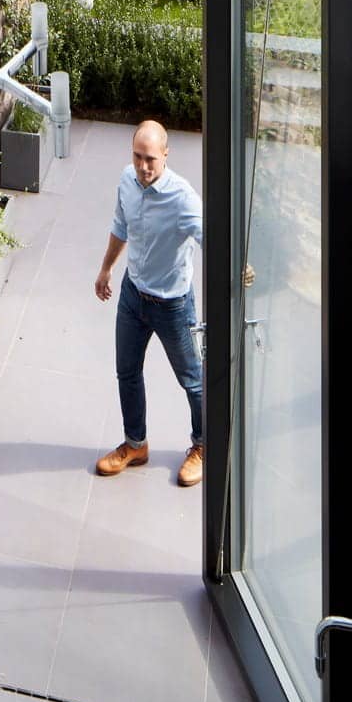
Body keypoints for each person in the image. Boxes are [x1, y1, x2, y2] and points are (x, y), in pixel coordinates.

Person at [94, 120, 205, 487]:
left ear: (166, 155)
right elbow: (120, 226)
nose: (144, 167)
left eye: (151, 159)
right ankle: (135, 445)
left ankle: (204, 446)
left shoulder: (183, 198)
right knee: (126, 372)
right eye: (138, 157)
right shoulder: (127, 180)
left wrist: (241, 269)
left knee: (193, 381)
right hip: (132, 295)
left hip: (173, 304)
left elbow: (214, 241)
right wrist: (106, 269)